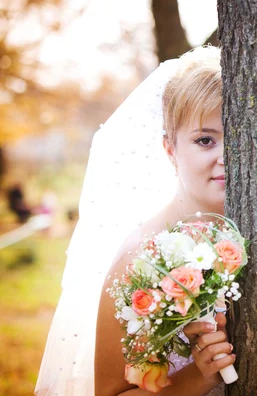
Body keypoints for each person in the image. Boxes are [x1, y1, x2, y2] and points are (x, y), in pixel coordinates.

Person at [36, 47, 233, 396]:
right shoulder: (138, 260)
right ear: (170, 150)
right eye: (205, 140)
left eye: (237, 138)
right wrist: (199, 377)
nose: (225, 157)